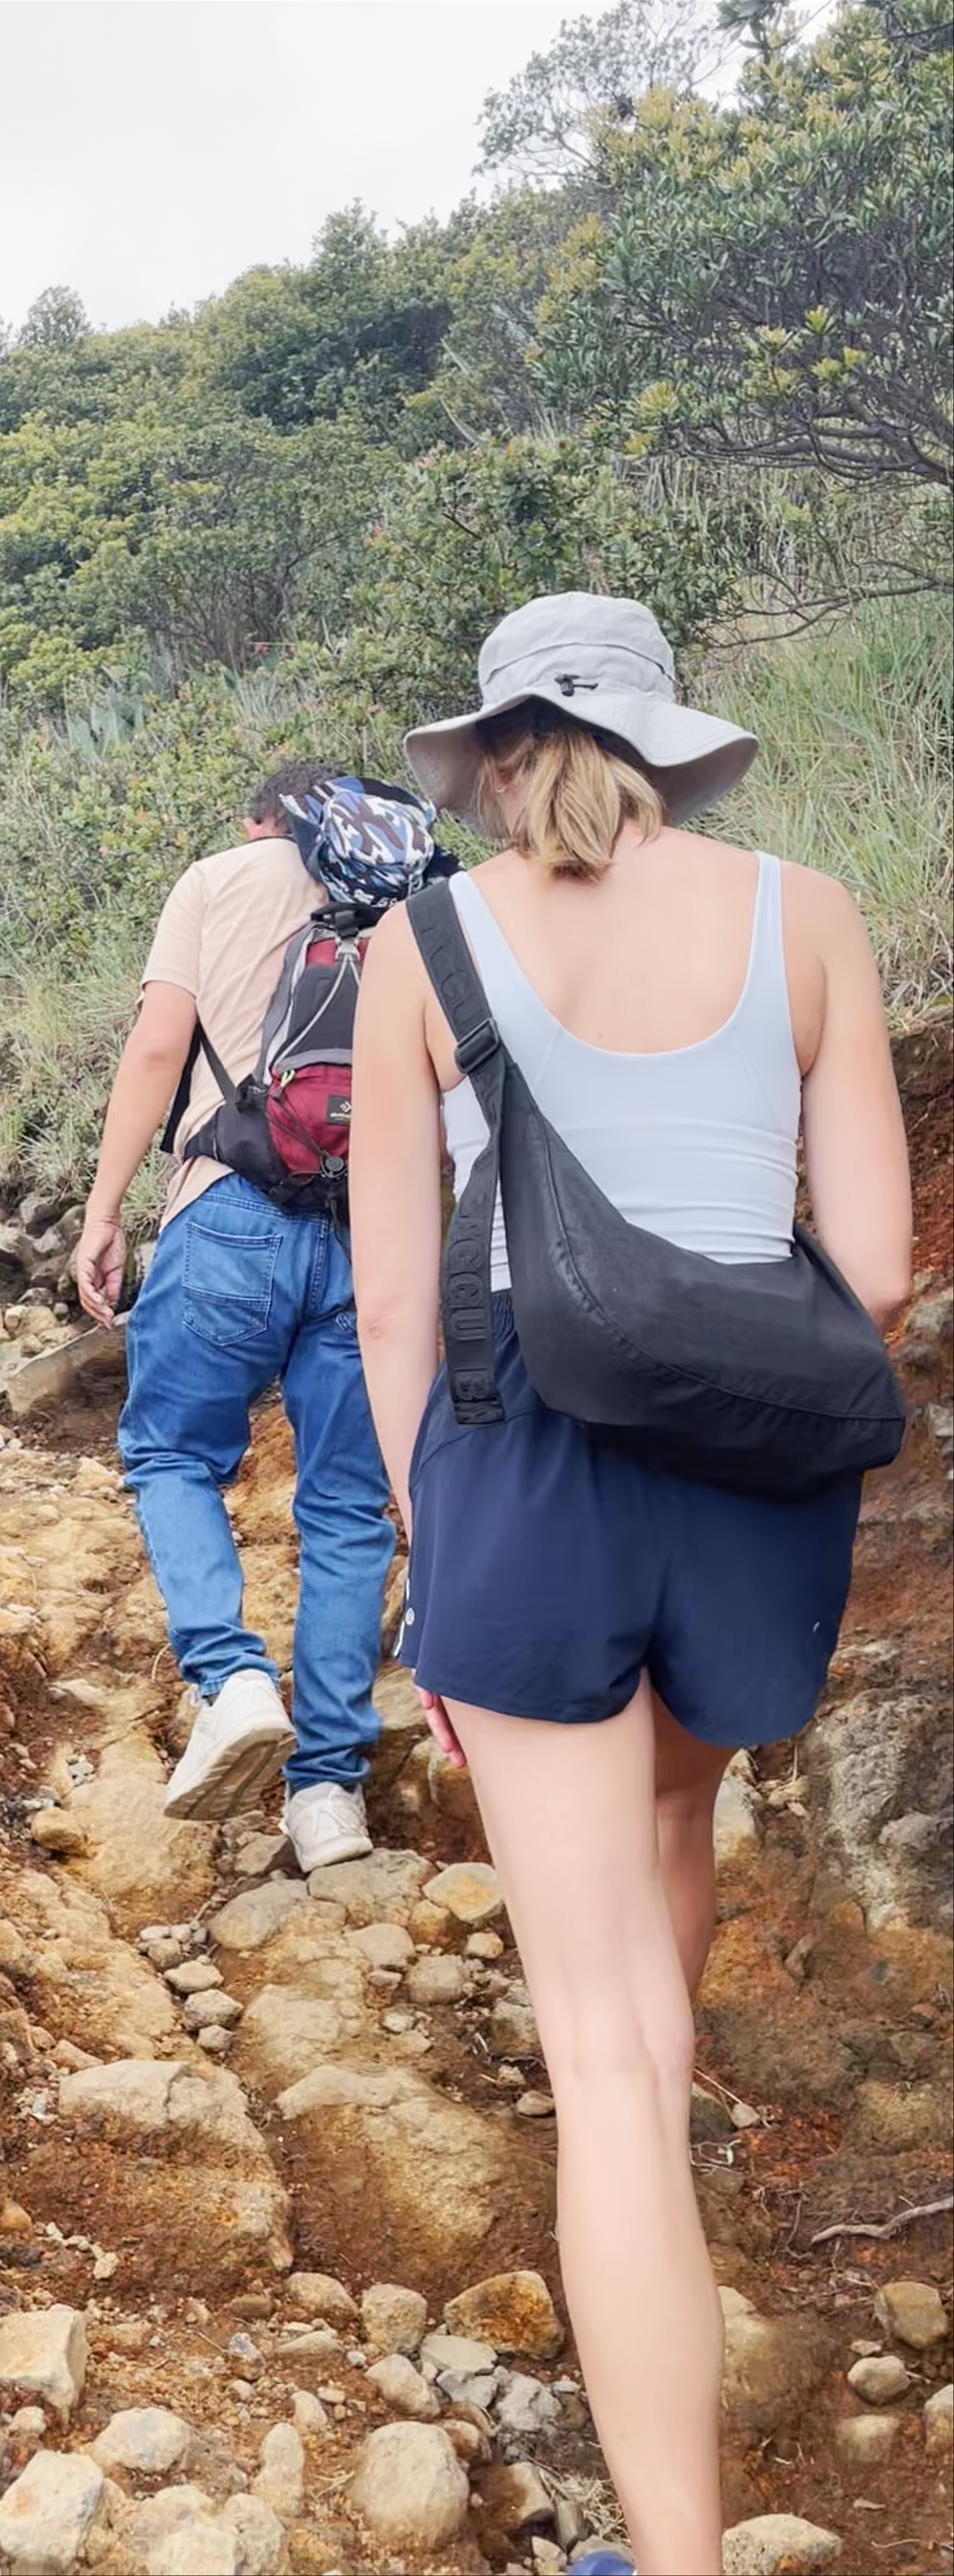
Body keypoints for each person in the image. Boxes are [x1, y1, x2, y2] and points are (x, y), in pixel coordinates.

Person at [349, 593, 912, 2576]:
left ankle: (669, 2554)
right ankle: (660, 2207)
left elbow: (400, 1303)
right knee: (678, 1819)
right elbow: (878, 1263)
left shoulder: (421, 948)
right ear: (672, 745)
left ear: (493, 758)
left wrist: (441, 1558)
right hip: (754, 1484)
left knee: (602, 2065)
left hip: (529, 1469)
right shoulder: (809, 914)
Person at [76, 764, 403, 1874]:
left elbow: (161, 1048)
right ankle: (329, 1800)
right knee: (350, 1509)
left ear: (266, 817)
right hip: (372, 1234)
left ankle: (232, 1678)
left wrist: (105, 1208)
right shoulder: (412, 899)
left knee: (170, 1451)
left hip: (228, 1214)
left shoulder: (218, 879)